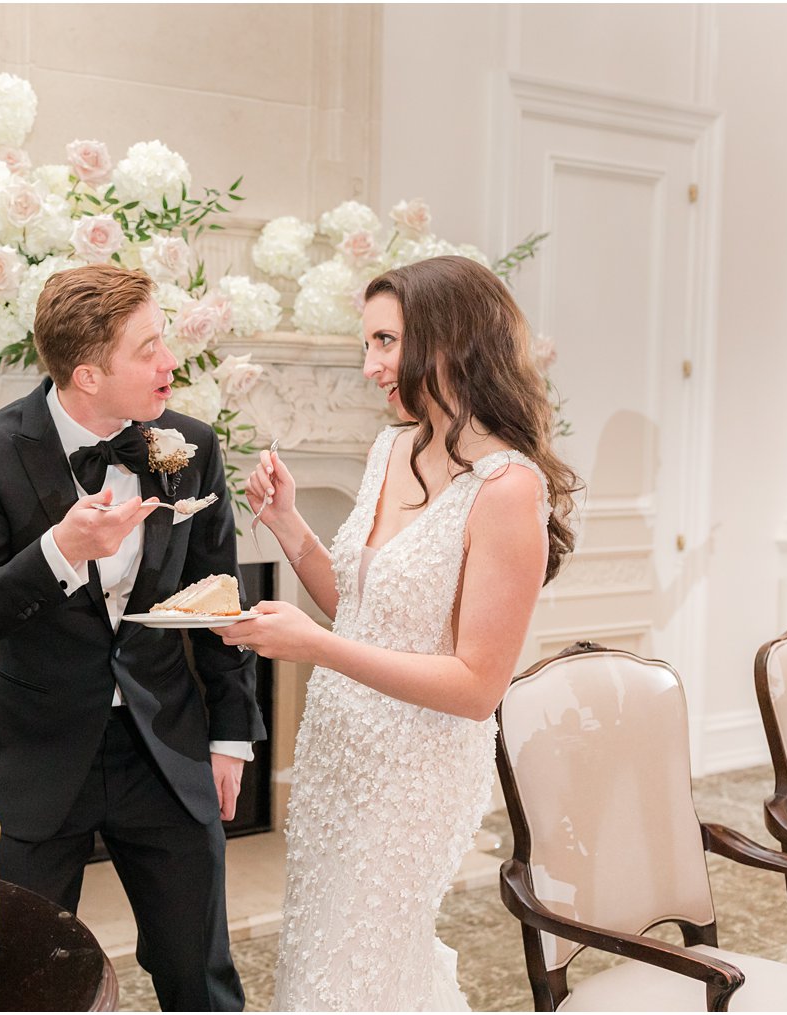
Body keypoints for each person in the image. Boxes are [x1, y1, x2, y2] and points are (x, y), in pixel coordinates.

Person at [216, 255, 581, 1010]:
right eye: (369, 344)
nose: (370, 364)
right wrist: (289, 527)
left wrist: (314, 648)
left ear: (447, 341)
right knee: (322, 951)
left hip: (417, 771)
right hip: (337, 752)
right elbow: (359, 608)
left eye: (385, 341)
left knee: (360, 963)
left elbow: (478, 686)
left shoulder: (508, 489)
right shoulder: (393, 447)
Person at [0, 264, 266, 1011]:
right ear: (88, 373)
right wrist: (59, 550)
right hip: (35, 757)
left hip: (166, 748)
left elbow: (218, 601)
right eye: (148, 348)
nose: (169, 361)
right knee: (19, 981)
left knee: (202, 979)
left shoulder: (192, 445)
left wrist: (232, 736)